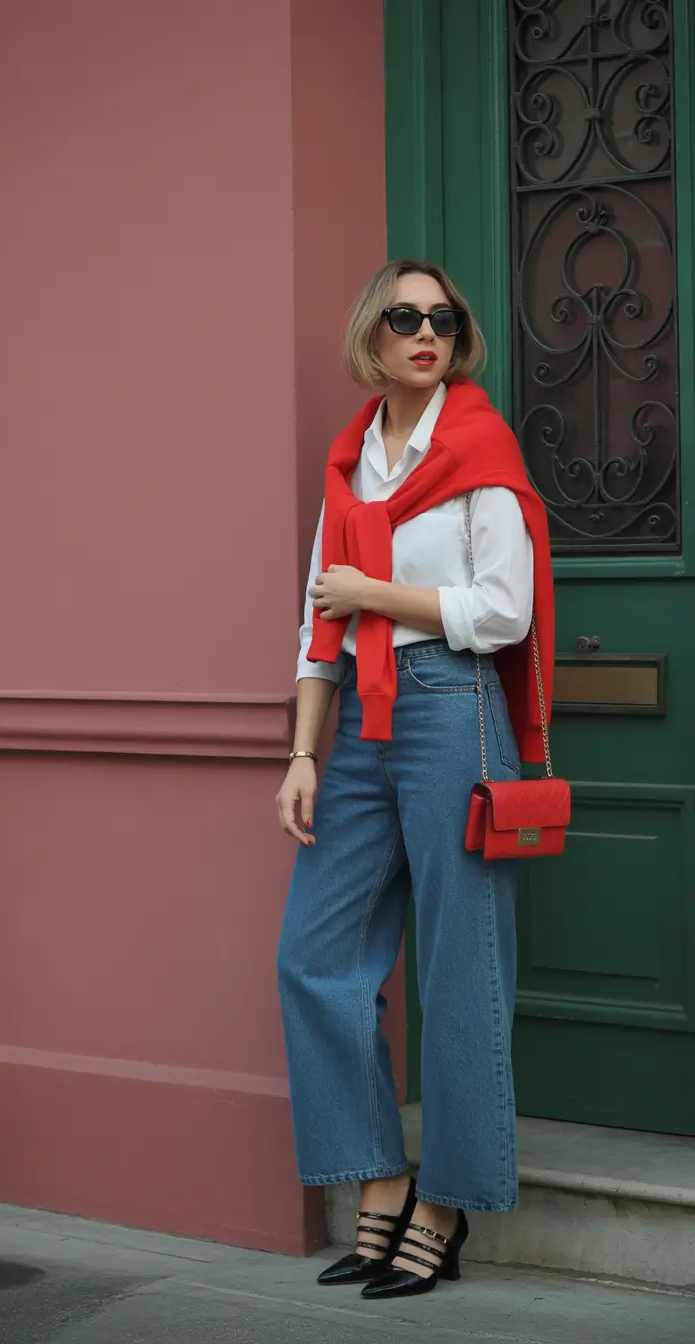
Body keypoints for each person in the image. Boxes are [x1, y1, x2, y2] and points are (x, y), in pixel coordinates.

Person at [276, 259, 554, 1300]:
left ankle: (445, 1205)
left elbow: (503, 611)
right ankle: (380, 1184)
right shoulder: (349, 464)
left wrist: (376, 591)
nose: (424, 331)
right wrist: (301, 754)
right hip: (357, 720)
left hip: (451, 708)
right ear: (373, 335)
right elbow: (319, 622)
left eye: (443, 318)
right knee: (314, 956)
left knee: (458, 965)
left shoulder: (479, 448)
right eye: (404, 317)